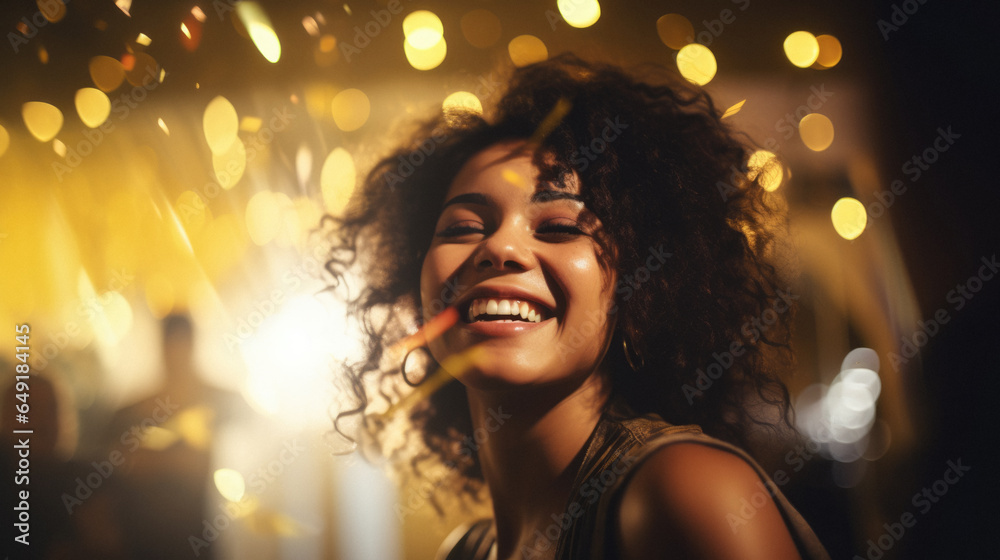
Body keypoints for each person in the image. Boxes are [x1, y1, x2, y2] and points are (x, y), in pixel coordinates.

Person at [326, 54, 830, 559]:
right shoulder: (464, 551)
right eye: (462, 228)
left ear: (639, 287)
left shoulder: (684, 492)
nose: (499, 249)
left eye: (560, 227)